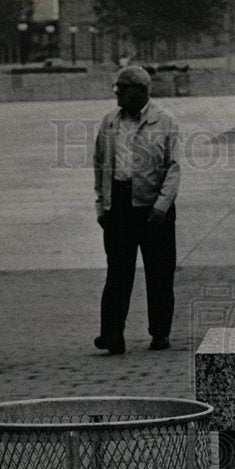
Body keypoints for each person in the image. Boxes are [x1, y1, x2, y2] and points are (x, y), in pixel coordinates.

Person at [92, 65, 181, 353]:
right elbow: (100, 165)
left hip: (153, 208)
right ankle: (112, 335)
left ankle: (160, 333)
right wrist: (101, 205)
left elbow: (174, 168)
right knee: (117, 272)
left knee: (159, 273)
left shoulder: (164, 121)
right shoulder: (109, 122)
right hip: (118, 206)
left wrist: (162, 206)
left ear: (140, 91)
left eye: (121, 87)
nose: (116, 92)